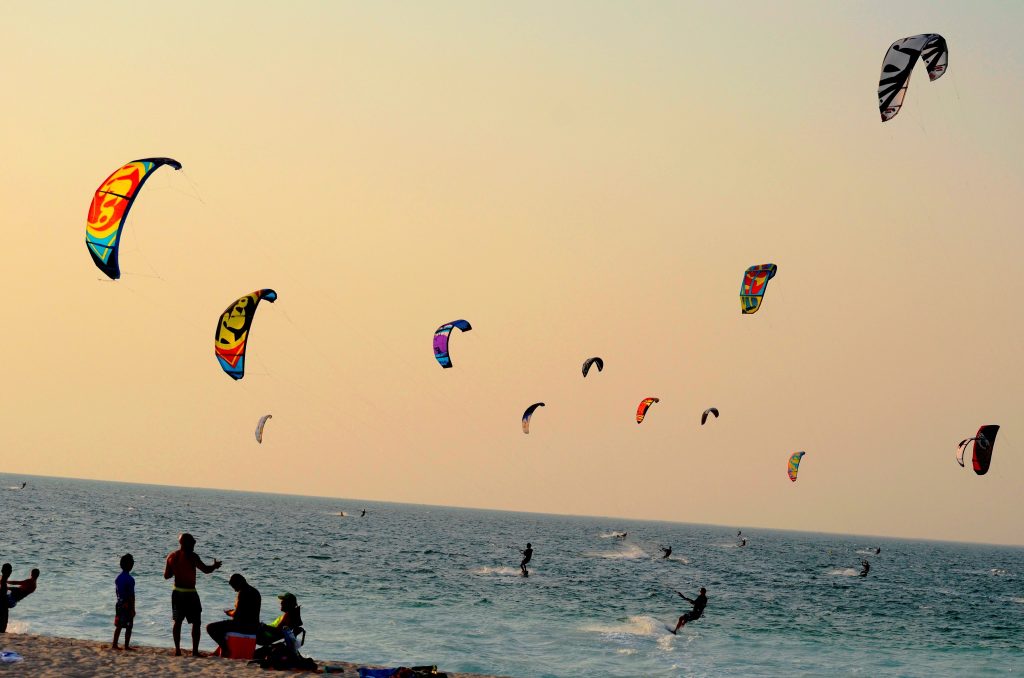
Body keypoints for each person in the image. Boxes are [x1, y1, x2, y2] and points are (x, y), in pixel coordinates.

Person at [164, 533, 222, 657]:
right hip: (190, 594)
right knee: (196, 622)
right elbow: (206, 570)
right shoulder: (192, 556)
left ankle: (177, 650)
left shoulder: (171, 556)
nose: (194, 544)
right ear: (186, 543)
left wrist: (176, 570)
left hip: (177, 593)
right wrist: (215, 566)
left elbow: (166, 576)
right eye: (193, 542)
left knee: (177, 621)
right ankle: (195, 652)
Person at [207, 573, 261, 654]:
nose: (235, 590)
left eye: (234, 587)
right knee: (223, 627)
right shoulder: (255, 591)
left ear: (240, 582)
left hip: (243, 626)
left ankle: (225, 649)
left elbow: (236, 614)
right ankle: (220, 650)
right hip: (254, 626)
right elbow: (246, 611)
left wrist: (229, 612)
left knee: (211, 627)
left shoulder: (242, 592)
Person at [112, 554, 135, 651]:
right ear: (131, 566)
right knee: (129, 626)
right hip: (127, 604)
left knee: (119, 625)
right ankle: (126, 646)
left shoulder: (118, 578)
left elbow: (117, 592)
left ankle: (114, 644)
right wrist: (133, 608)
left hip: (119, 603)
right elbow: (131, 595)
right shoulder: (130, 579)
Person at [0, 563, 10, 634]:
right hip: (2, 604)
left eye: (10, 570)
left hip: (3, 603)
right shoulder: (3, 581)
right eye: (9, 570)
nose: (10, 572)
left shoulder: (2, 579)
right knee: (3, 623)